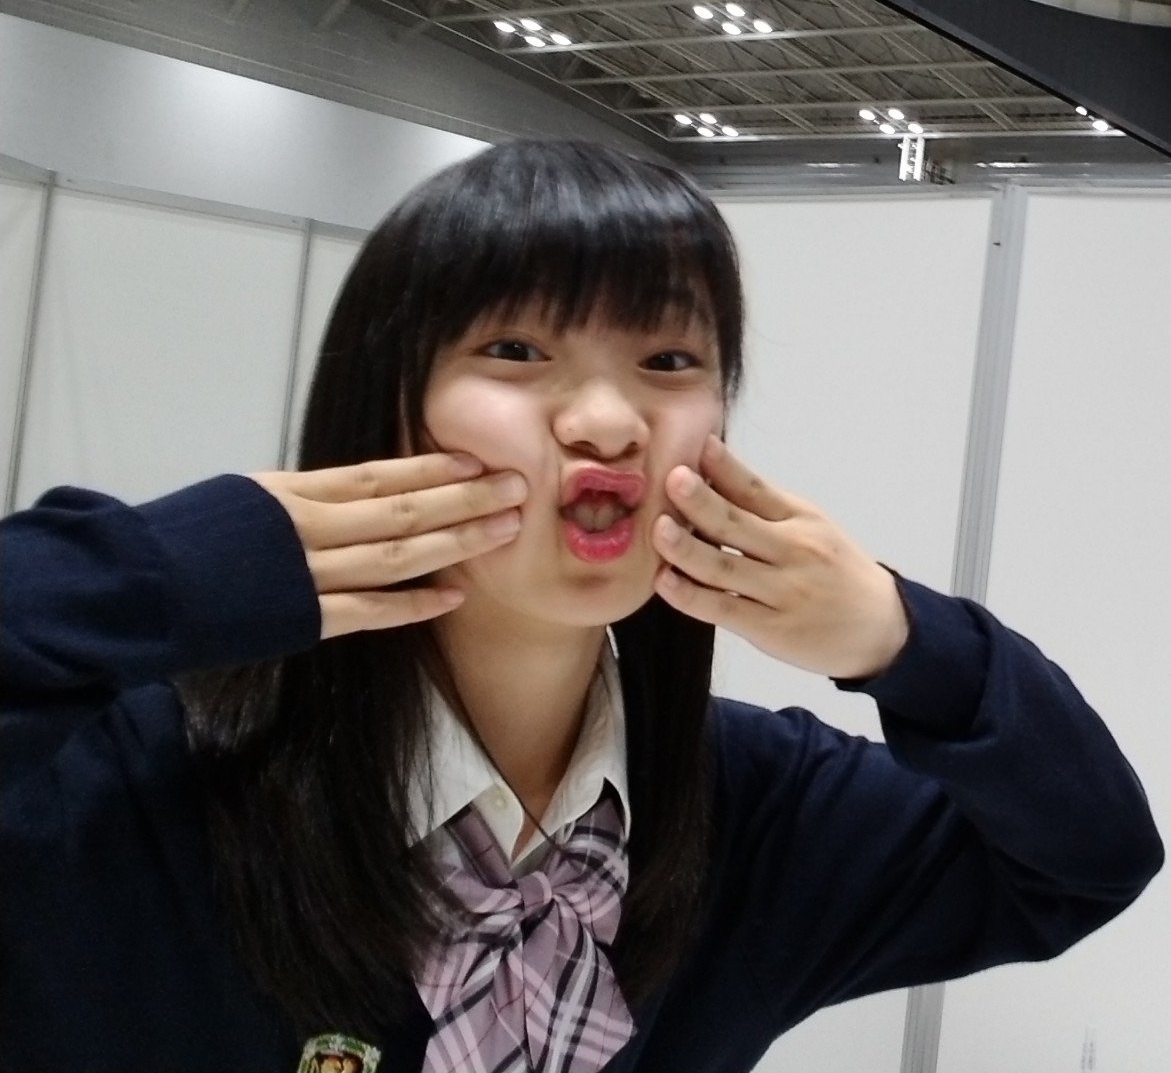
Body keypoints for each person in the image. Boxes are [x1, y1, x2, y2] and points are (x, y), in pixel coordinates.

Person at [0, 138, 1162, 1073]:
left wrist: (902, 642)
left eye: (668, 362)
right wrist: (161, 575)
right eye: (515, 348)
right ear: (384, 404)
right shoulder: (137, 776)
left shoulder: (753, 808)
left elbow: (1087, 857)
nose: (607, 422)